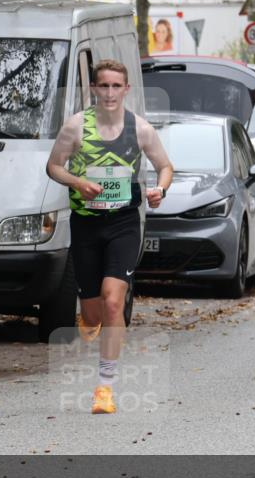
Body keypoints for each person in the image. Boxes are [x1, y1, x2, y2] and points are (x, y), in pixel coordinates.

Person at [46, 59, 174, 415]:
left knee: (113, 301)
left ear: (126, 90)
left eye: (117, 86)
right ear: (94, 89)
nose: (110, 93)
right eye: (104, 86)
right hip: (86, 224)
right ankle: (88, 316)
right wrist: (77, 182)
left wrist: (159, 190)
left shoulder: (141, 129)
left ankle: (105, 386)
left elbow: (165, 166)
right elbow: (54, 166)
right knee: (92, 310)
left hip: (123, 223)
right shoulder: (75, 127)